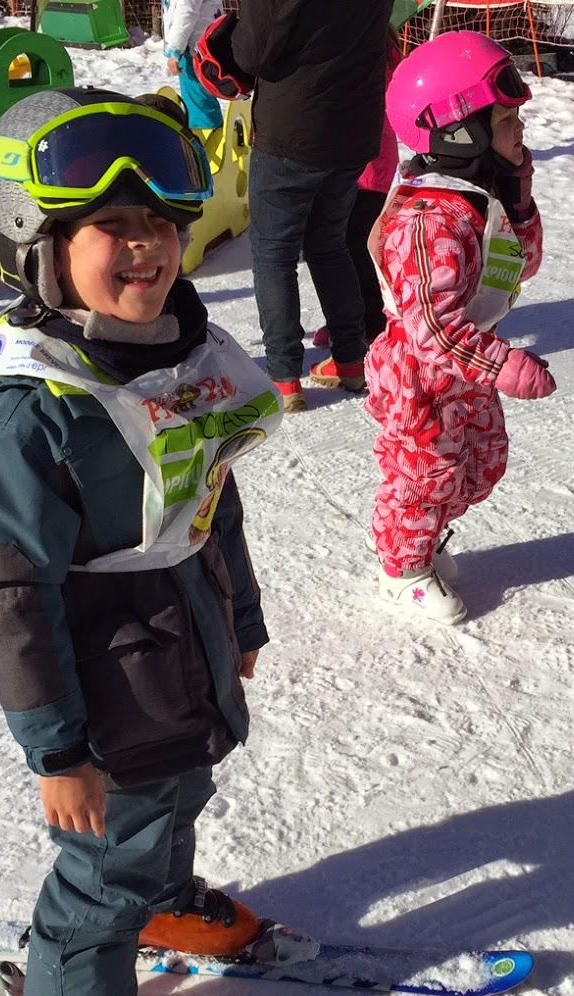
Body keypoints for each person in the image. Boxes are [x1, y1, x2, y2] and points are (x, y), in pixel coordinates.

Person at [0, 88, 285, 996]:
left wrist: (242, 619)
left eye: (162, 225)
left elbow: (215, 504)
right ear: (34, 243)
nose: (148, 248)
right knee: (107, 849)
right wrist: (58, 752)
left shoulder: (179, 363)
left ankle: (163, 903)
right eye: (112, 228)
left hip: (185, 635)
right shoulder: (29, 408)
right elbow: (8, 598)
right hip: (99, 672)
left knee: (180, 794)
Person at [365, 32, 549, 624]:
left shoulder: (473, 199)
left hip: (463, 365)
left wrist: (520, 204)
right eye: (505, 119)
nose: (518, 130)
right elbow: (432, 328)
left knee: (480, 463)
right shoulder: (427, 222)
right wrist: (504, 364)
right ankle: (403, 566)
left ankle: (423, 535)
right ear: (456, 131)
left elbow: (517, 267)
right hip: (421, 373)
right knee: (426, 474)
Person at [231, 0, 390, 411]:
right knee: (330, 244)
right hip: (354, 124)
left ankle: (285, 376)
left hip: (294, 126)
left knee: (274, 253)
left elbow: (252, 52)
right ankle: (351, 358)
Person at [308, 36, 402, 383]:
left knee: (354, 247)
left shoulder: (374, 46)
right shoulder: (366, 38)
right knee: (346, 243)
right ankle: (349, 321)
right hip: (359, 156)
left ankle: (370, 329)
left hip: (366, 160)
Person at [160, 0, 221, 132]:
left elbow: (186, 13)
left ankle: (207, 142)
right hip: (202, 45)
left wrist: (175, 50)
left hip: (194, 49)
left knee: (199, 104)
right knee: (201, 99)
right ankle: (210, 135)